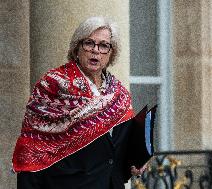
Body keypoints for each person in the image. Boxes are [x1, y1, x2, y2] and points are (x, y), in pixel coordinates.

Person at [12, 16, 155, 189]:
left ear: (111, 53)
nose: (96, 50)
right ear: (77, 48)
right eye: (89, 43)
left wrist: (135, 162)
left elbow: (116, 150)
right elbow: (32, 148)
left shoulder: (119, 94)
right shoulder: (53, 85)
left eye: (103, 46)